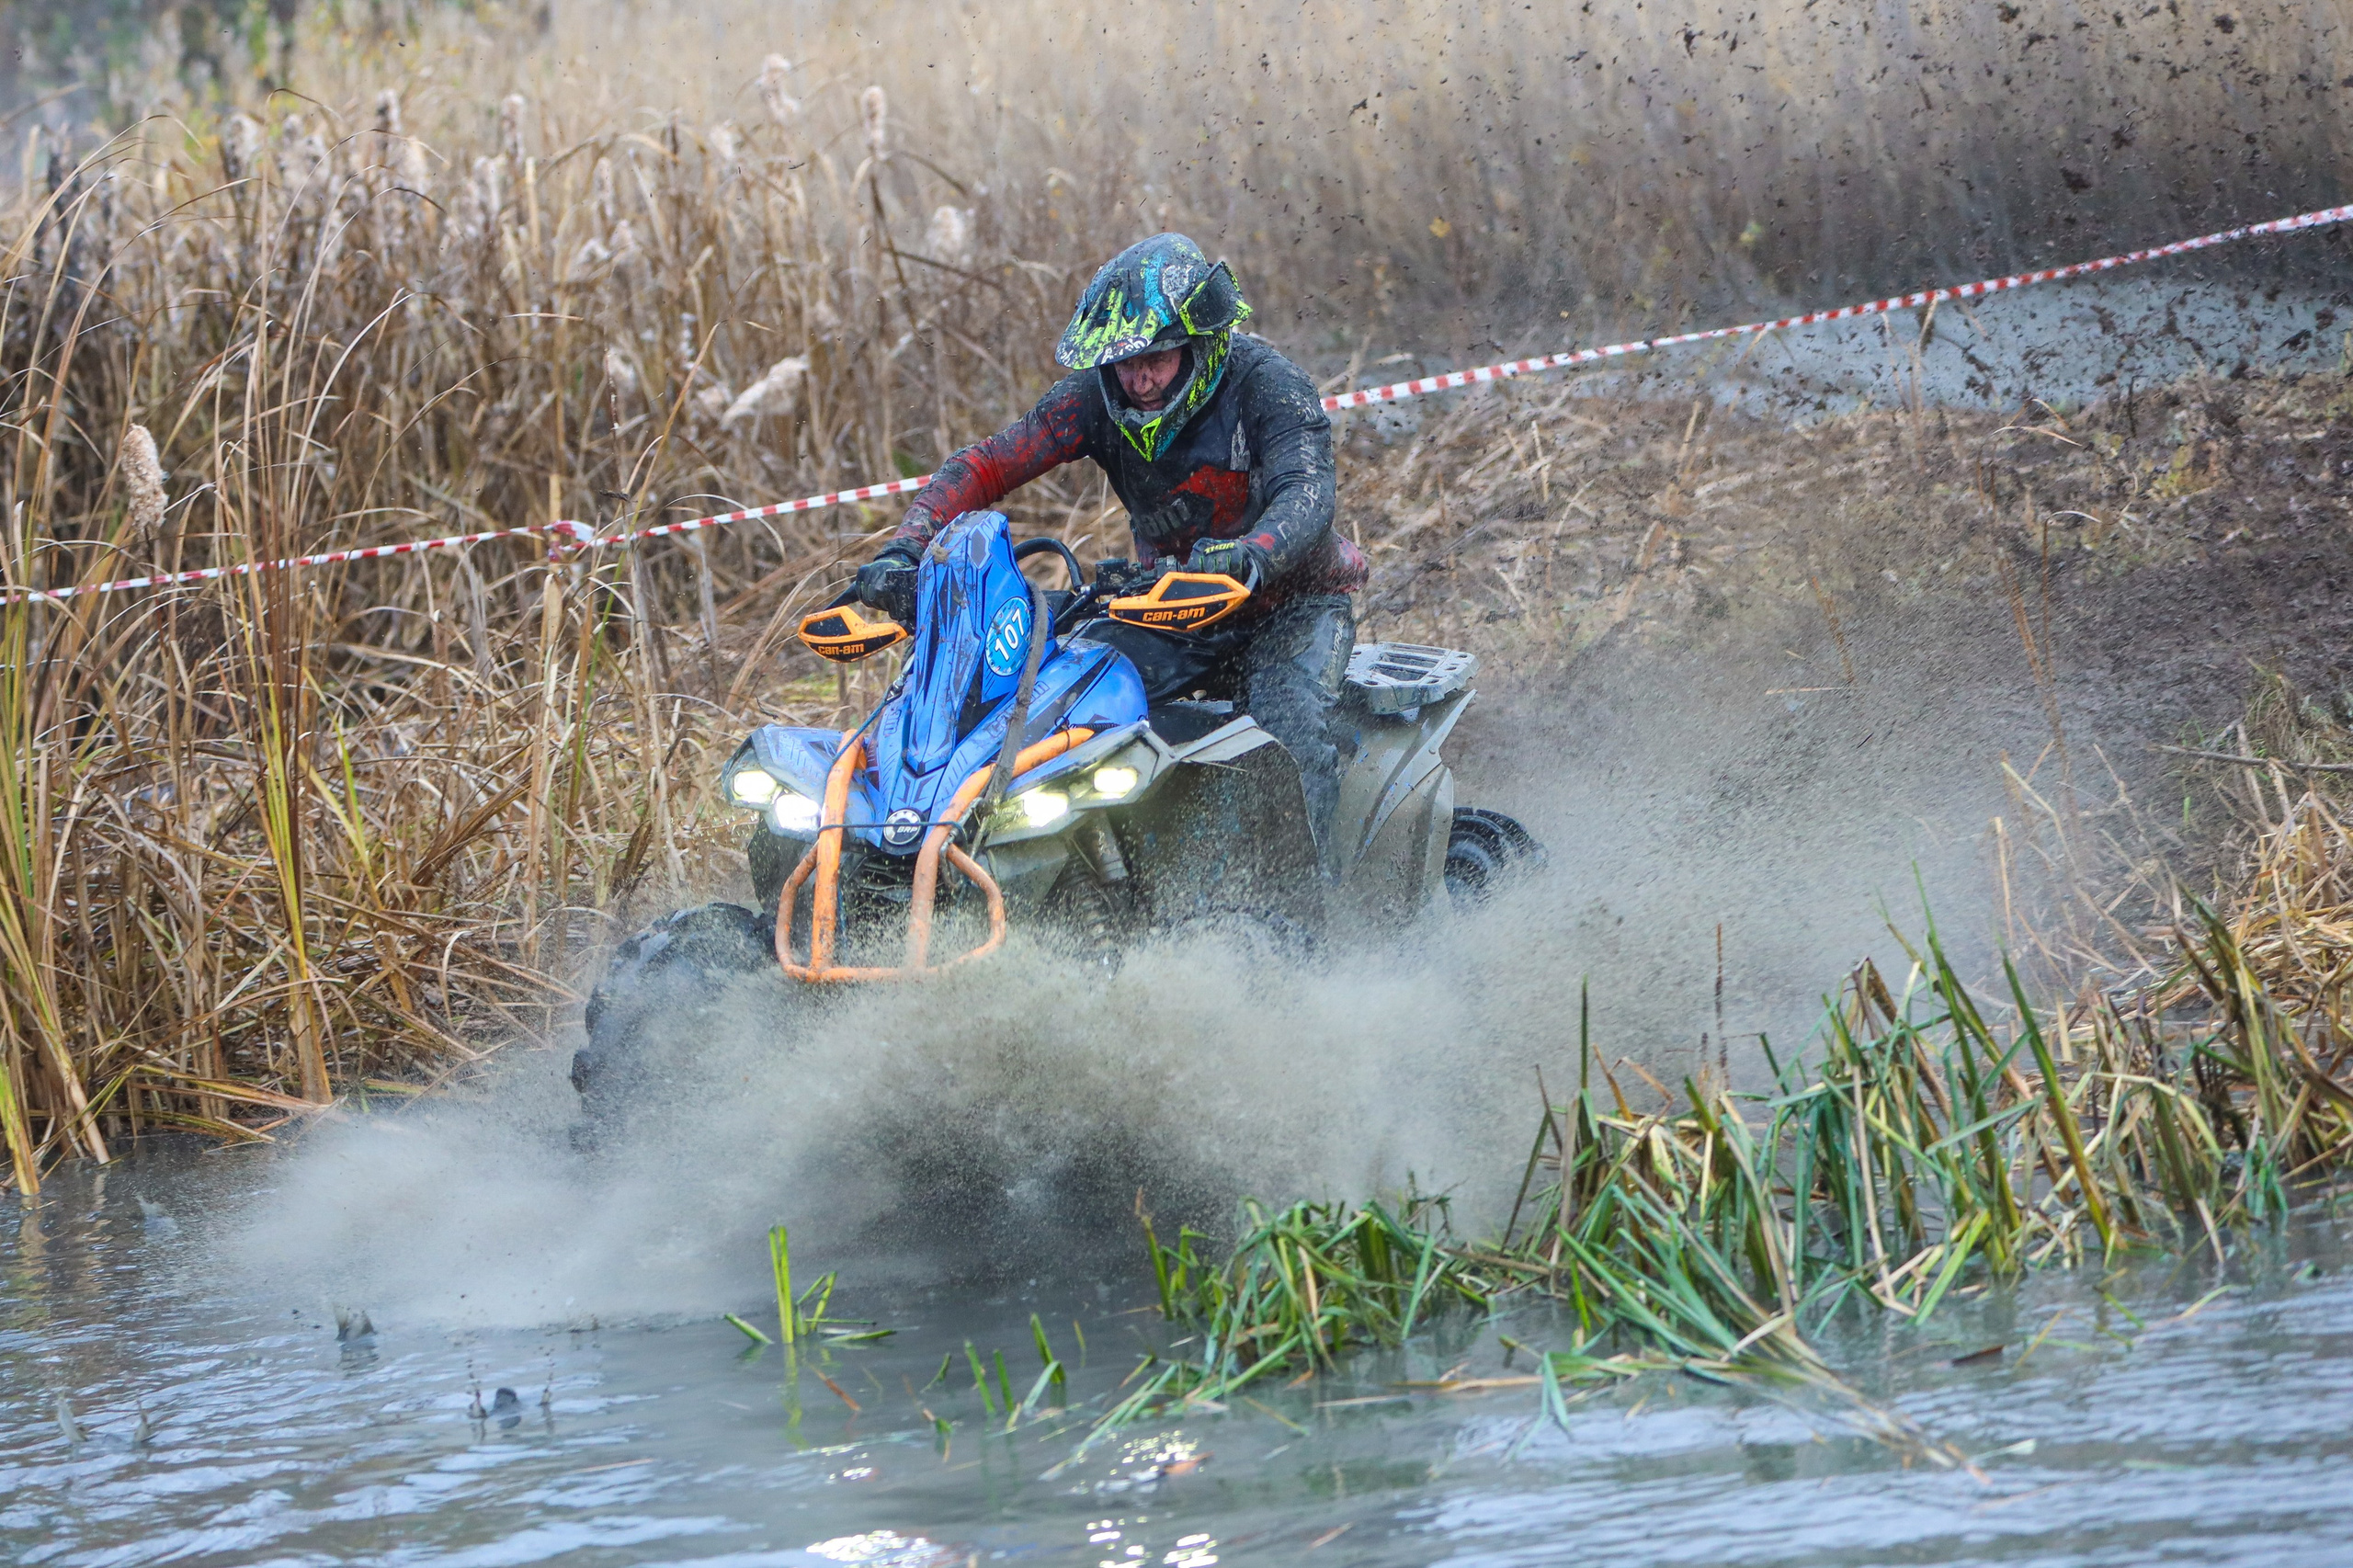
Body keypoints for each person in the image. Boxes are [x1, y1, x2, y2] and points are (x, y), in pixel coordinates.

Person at [854, 233, 1366, 850]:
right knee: (1058, 703)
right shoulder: (1093, 399)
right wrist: (907, 548)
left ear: (1201, 344)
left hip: (1290, 603)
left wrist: (1254, 552)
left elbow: (1307, 492)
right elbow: (986, 465)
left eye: (1158, 358)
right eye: (1125, 363)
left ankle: (1321, 910)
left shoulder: (1269, 386)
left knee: (1291, 726)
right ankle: (1075, 874)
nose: (1140, 380)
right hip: (1166, 608)